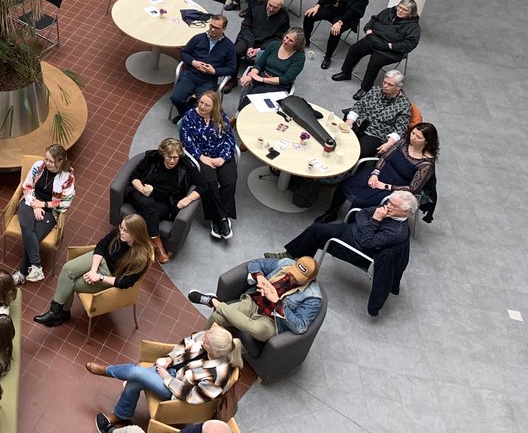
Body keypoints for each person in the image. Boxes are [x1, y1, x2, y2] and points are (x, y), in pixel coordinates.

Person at [85, 324, 243, 433]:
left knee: (137, 374)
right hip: (169, 368)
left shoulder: (218, 375)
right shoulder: (206, 337)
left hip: (176, 390)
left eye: (206, 342)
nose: (202, 339)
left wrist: (167, 378)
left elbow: (192, 396)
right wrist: (169, 359)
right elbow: (185, 343)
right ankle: (121, 415)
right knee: (134, 383)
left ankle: (107, 371)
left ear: (215, 350)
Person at [34, 214, 153, 327]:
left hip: (110, 275)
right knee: (67, 269)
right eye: (121, 227)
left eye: (125, 231)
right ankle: (56, 311)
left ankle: (62, 313)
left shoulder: (141, 258)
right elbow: (101, 245)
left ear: (136, 233)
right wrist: (93, 270)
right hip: (100, 259)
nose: (121, 232)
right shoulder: (119, 233)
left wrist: (99, 277)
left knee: (72, 283)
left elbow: (125, 282)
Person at [316, 123, 438, 223]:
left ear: (427, 141)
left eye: (418, 137)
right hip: (380, 173)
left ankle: (349, 225)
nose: (413, 138)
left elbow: (413, 188)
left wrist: (384, 186)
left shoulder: (426, 164)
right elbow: (384, 158)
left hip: (395, 187)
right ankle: (332, 211)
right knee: (345, 184)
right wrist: (375, 173)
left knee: (361, 202)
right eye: (413, 133)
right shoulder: (403, 143)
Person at [187, 256, 323, 343]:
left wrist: (278, 303)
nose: (292, 277)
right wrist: (260, 277)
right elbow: (256, 263)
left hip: (271, 321)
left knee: (257, 330)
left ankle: (213, 302)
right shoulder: (286, 264)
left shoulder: (313, 297)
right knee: (217, 316)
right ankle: (199, 342)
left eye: (298, 278)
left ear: (310, 279)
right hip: (254, 302)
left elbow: (300, 327)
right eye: (292, 272)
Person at [124, 137, 202, 264]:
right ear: (162, 154)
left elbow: (203, 185)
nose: (172, 161)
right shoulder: (152, 157)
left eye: (175, 157)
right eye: (168, 157)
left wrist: (187, 199)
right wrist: (143, 189)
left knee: (150, 212)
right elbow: (134, 176)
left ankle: (137, 242)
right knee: (147, 204)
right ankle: (158, 247)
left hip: (164, 203)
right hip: (140, 193)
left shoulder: (186, 166)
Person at [283, 190, 415, 261]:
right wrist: (368, 225)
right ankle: (293, 258)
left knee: (315, 234)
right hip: (349, 230)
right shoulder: (388, 206)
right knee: (316, 228)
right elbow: (362, 213)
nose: (388, 206)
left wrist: (375, 220)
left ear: (405, 212)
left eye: (393, 205)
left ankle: (292, 259)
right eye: (389, 202)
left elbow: (367, 243)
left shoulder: (397, 232)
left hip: (356, 250)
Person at [11, 144, 76, 284]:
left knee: (33, 235)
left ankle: (22, 272)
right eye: (46, 159)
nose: (47, 163)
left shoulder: (68, 178)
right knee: (26, 226)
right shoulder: (38, 166)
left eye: (51, 161)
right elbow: (27, 186)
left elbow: (64, 202)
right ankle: (36, 266)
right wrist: (35, 204)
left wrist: (43, 205)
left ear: (60, 162)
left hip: (49, 210)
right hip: (30, 202)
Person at [331, 0, 421, 97]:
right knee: (354, 49)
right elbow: (374, 19)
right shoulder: (388, 12)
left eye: (405, 10)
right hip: (373, 40)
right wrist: (368, 29)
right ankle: (346, 72)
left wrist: (392, 46)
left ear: (411, 13)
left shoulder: (414, 27)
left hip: (389, 50)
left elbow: (410, 44)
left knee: (374, 63)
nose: (400, 10)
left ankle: (365, 88)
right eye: (399, 7)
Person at [179, 90, 237, 240]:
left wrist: (223, 158)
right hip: (201, 157)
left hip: (220, 156)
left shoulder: (221, 117)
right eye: (201, 103)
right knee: (209, 182)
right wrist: (201, 157)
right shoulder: (190, 117)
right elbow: (186, 141)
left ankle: (217, 218)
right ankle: (221, 218)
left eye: (207, 104)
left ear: (214, 106)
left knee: (229, 181)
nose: (202, 106)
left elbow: (230, 140)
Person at [303, 0, 369, 69]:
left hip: (347, 16)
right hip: (332, 8)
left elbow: (353, 11)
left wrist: (340, 22)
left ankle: (328, 57)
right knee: (309, 15)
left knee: (335, 31)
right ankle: (306, 40)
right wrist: (317, 6)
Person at [223, 0, 289, 93]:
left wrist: (259, 49)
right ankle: (232, 78)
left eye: (275, 7)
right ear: (267, 1)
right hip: (249, 38)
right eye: (270, 5)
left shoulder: (284, 17)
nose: (271, 9)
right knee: (235, 51)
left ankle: (257, 83)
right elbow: (245, 26)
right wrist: (250, 45)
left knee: (267, 59)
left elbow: (277, 39)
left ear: (281, 7)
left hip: (266, 44)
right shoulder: (256, 6)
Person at [170, 15, 235, 114]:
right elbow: (184, 53)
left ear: (224, 29)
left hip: (209, 80)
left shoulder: (229, 47)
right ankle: (186, 116)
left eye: (217, 28)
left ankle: (188, 116)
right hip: (191, 74)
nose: (212, 29)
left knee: (202, 106)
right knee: (176, 98)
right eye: (211, 26)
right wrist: (193, 62)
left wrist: (214, 71)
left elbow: (231, 68)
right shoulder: (198, 38)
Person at [342, 69, 413, 159]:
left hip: (376, 135)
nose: (385, 86)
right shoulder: (375, 90)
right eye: (384, 82)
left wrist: (389, 143)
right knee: (340, 139)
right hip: (359, 123)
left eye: (389, 84)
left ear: (398, 87)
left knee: (357, 153)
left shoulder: (404, 106)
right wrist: (349, 121)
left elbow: (401, 129)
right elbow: (359, 105)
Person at [235, 29, 306, 111]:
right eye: (286, 37)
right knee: (247, 106)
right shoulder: (273, 45)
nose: (286, 41)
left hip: (279, 86)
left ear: (297, 44)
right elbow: (259, 64)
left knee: (266, 108)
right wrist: (251, 75)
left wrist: (262, 79)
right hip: (262, 79)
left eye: (291, 41)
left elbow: (286, 79)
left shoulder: (299, 57)